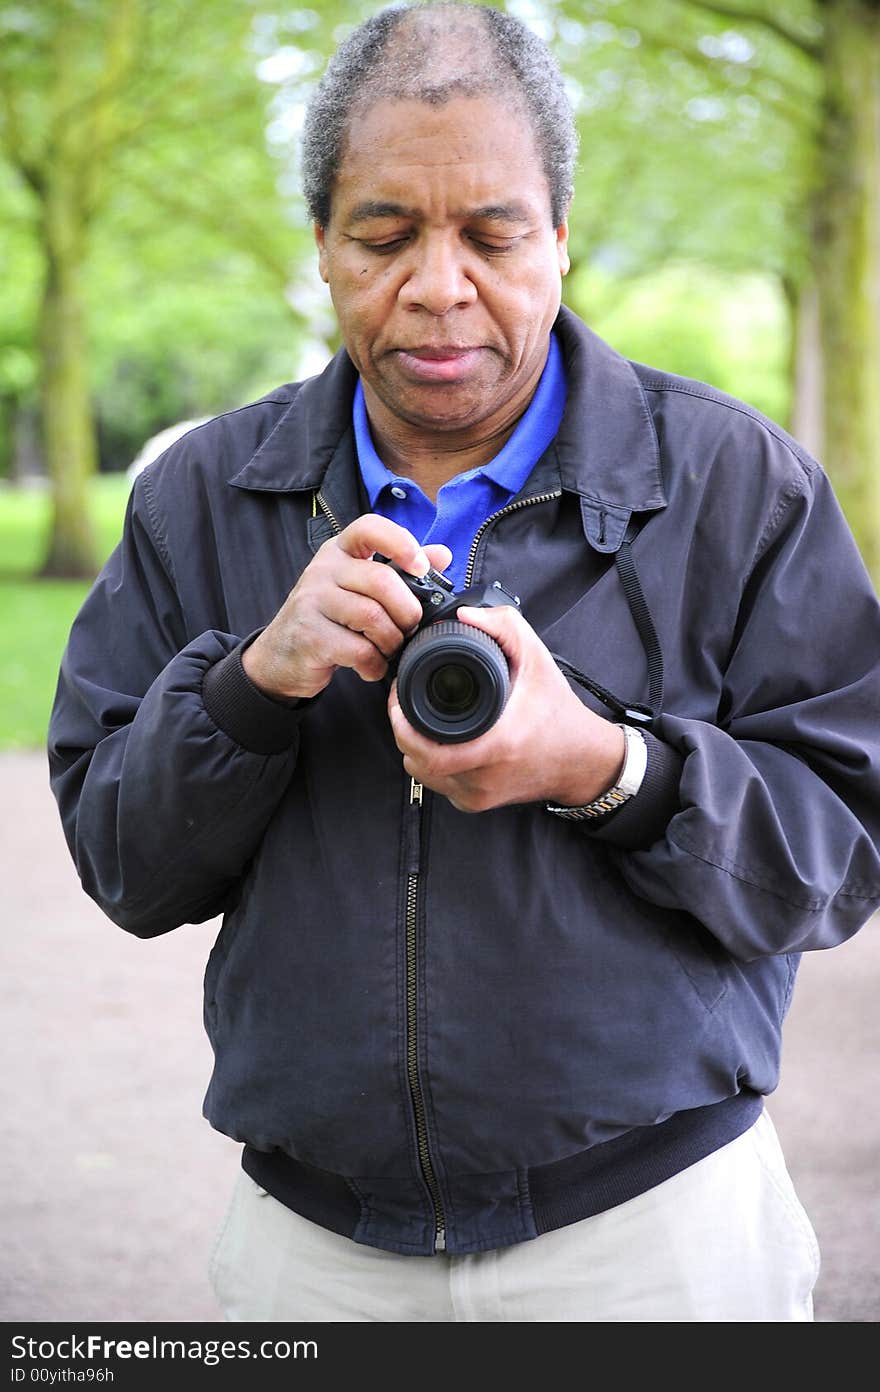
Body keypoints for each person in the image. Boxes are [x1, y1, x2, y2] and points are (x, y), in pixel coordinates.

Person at [48, 1, 880, 1323]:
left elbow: (840, 856)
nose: (440, 285)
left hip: (654, 1242)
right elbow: (123, 865)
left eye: (492, 234)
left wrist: (610, 768)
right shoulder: (199, 499)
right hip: (311, 1258)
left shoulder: (740, 486)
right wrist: (249, 687)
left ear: (560, 234)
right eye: (385, 235)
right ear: (321, 244)